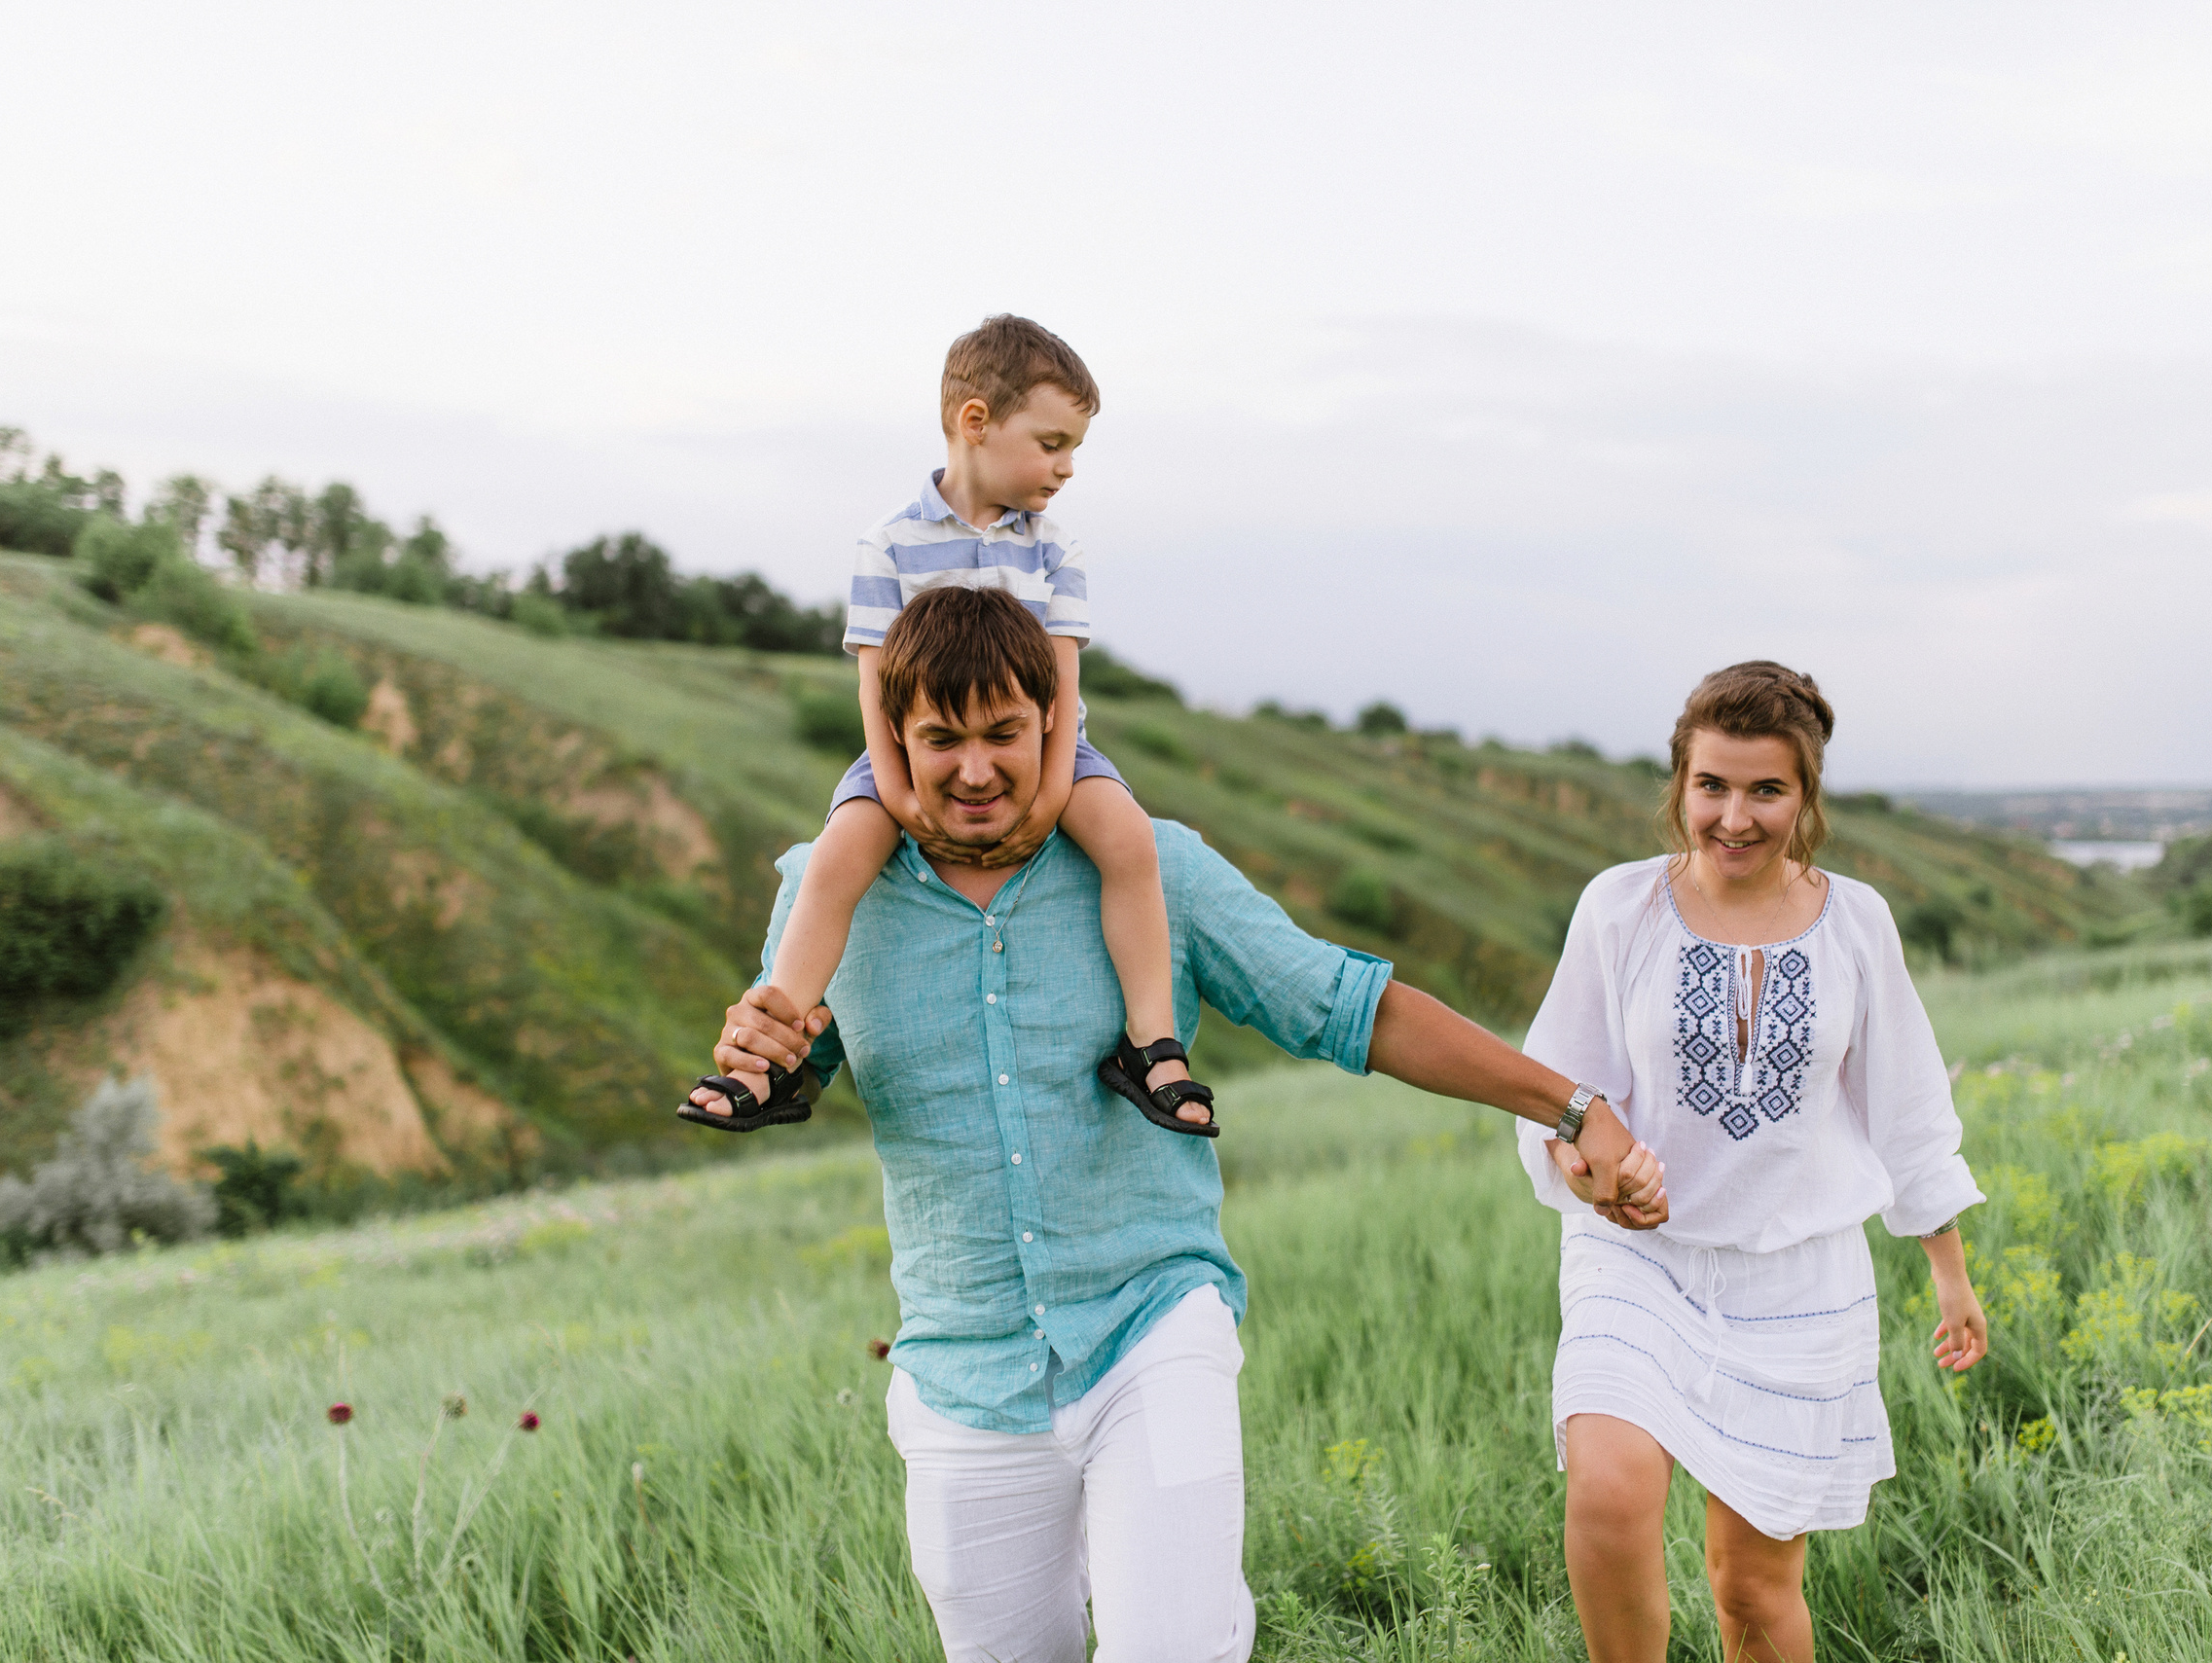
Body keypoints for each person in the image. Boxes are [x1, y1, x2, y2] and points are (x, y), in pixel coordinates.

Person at [692, 585, 1667, 1663]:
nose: (975, 768)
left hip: (1151, 1327)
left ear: (1054, 722)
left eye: (1005, 733)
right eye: (940, 739)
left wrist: (1572, 1104)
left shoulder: (1151, 866)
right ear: (893, 738)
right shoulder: (829, 891)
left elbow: (1346, 1005)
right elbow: (793, 1063)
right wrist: (760, 1058)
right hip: (962, 1373)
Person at [1521, 661, 1988, 1663]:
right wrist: (1593, 1174)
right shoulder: (1620, 908)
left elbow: (1905, 1106)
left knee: (1752, 1592)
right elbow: (1557, 1089)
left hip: (1800, 1277)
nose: (1733, 816)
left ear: (1806, 795)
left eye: (1765, 789)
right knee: (1607, 1489)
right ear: (1679, 785)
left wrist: (1948, 1272)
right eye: (1711, 786)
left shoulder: (1856, 922)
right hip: (1637, 1259)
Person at [688, 314, 1214, 1137]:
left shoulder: (1054, 549)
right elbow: (875, 691)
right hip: (909, 754)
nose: (1067, 468)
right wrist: (897, 796)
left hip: (1044, 749)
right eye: (1051, 443)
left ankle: (1152, 1043)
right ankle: (769, 1059)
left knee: (1130, 841)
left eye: (1074, 447)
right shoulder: (889, 544)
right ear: (976, 422)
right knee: (831, 866)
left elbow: (1062, 686)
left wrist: (1048, 795)